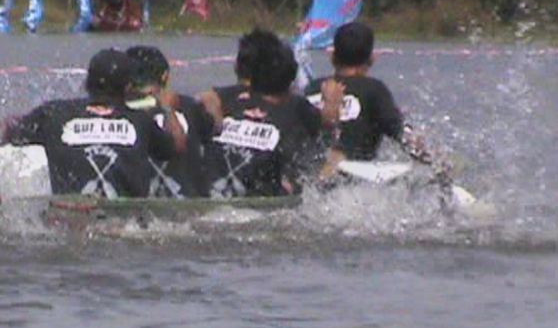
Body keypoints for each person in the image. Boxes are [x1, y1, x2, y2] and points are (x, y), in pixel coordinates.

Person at [0, 49, 187, 198]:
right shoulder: (140, 121)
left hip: (69, 220)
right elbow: (178, 145)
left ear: (87, 82)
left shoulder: (53, 113)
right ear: (128, 88)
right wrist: (168, 109)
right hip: (127, 224)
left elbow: (6, 132)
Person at [305, 22, 450, 183]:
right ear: (371, 59)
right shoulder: (374, 90)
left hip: (313, 178)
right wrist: (437, 161)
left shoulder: (312, 88)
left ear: (332, 57)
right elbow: (403, 136)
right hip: (354, 185)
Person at [204, 29, 334, 197]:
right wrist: (332, 101)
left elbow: (203, 98)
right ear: (290, 82)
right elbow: (328, 129)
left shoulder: (228, 96)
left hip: (215, 194)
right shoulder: (296, 105)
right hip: (266, 198)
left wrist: (217, 120)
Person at [125, 45, 216, 198]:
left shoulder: (120, 111)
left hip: (139, 208)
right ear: (165, 76)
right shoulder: (190, 106)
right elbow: (213, 131)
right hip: (192, 205)